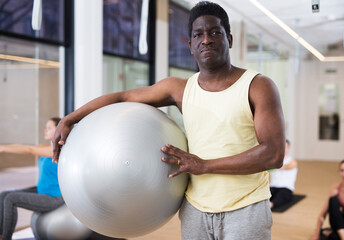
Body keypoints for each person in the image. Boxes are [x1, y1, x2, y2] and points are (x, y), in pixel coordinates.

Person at [52, 2, 285, 239]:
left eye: (215, 32)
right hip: (196, 209)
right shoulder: (180, 89)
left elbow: (274, 154)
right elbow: (123, 97)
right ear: (191, 45)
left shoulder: (257, 86)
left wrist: (204, 166)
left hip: (245, 209)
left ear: (230, 39)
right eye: (198, 35)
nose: (206, 40)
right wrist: (69, 120)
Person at [0, 117, 64, 240]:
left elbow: (29, 150)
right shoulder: (45, 147)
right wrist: (4, 146)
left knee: (11, 199)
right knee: (4, 195)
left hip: (55, 197)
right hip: (43, 190)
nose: (45, 130)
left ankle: (5, 238)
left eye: (49, 128)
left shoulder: (57, 150)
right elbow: (23, 146)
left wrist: (2, 148)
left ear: (58, 130)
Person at [310, 159, 344, 240]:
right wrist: (316, 235)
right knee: (333, 200)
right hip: (343, 223)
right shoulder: (335, 188)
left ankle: (333, 233)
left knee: (334, 237)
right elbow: (323, 213)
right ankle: (342, 237)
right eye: (342, 170)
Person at [270, 139, 298, 209]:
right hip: (272, 187)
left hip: (286, 188)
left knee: (281, 196)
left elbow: (289, 166)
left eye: (284, 147)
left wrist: (275, 167)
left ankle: (270, 205)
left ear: (288, 148)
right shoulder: (273, 161)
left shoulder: (292, 161)